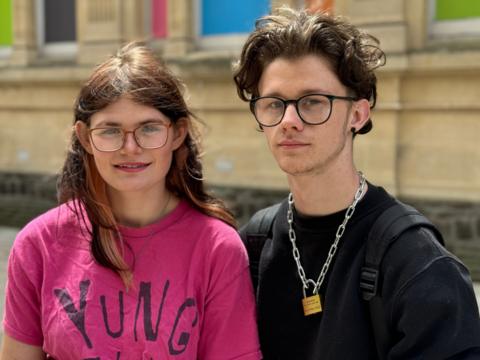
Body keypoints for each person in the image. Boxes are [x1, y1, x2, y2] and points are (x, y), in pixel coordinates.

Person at [233, 6, 480, 360]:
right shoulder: (252, 247)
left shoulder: (418, 265)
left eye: (313, 102)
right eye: (274, 104)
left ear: (358, 114)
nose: (289, 120)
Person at [1, 43, 261, 359]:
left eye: (148, 128)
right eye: (110, 131)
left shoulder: (217, 249)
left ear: (177, 134)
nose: (130, 147)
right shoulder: (38, 245)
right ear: (85, 138)